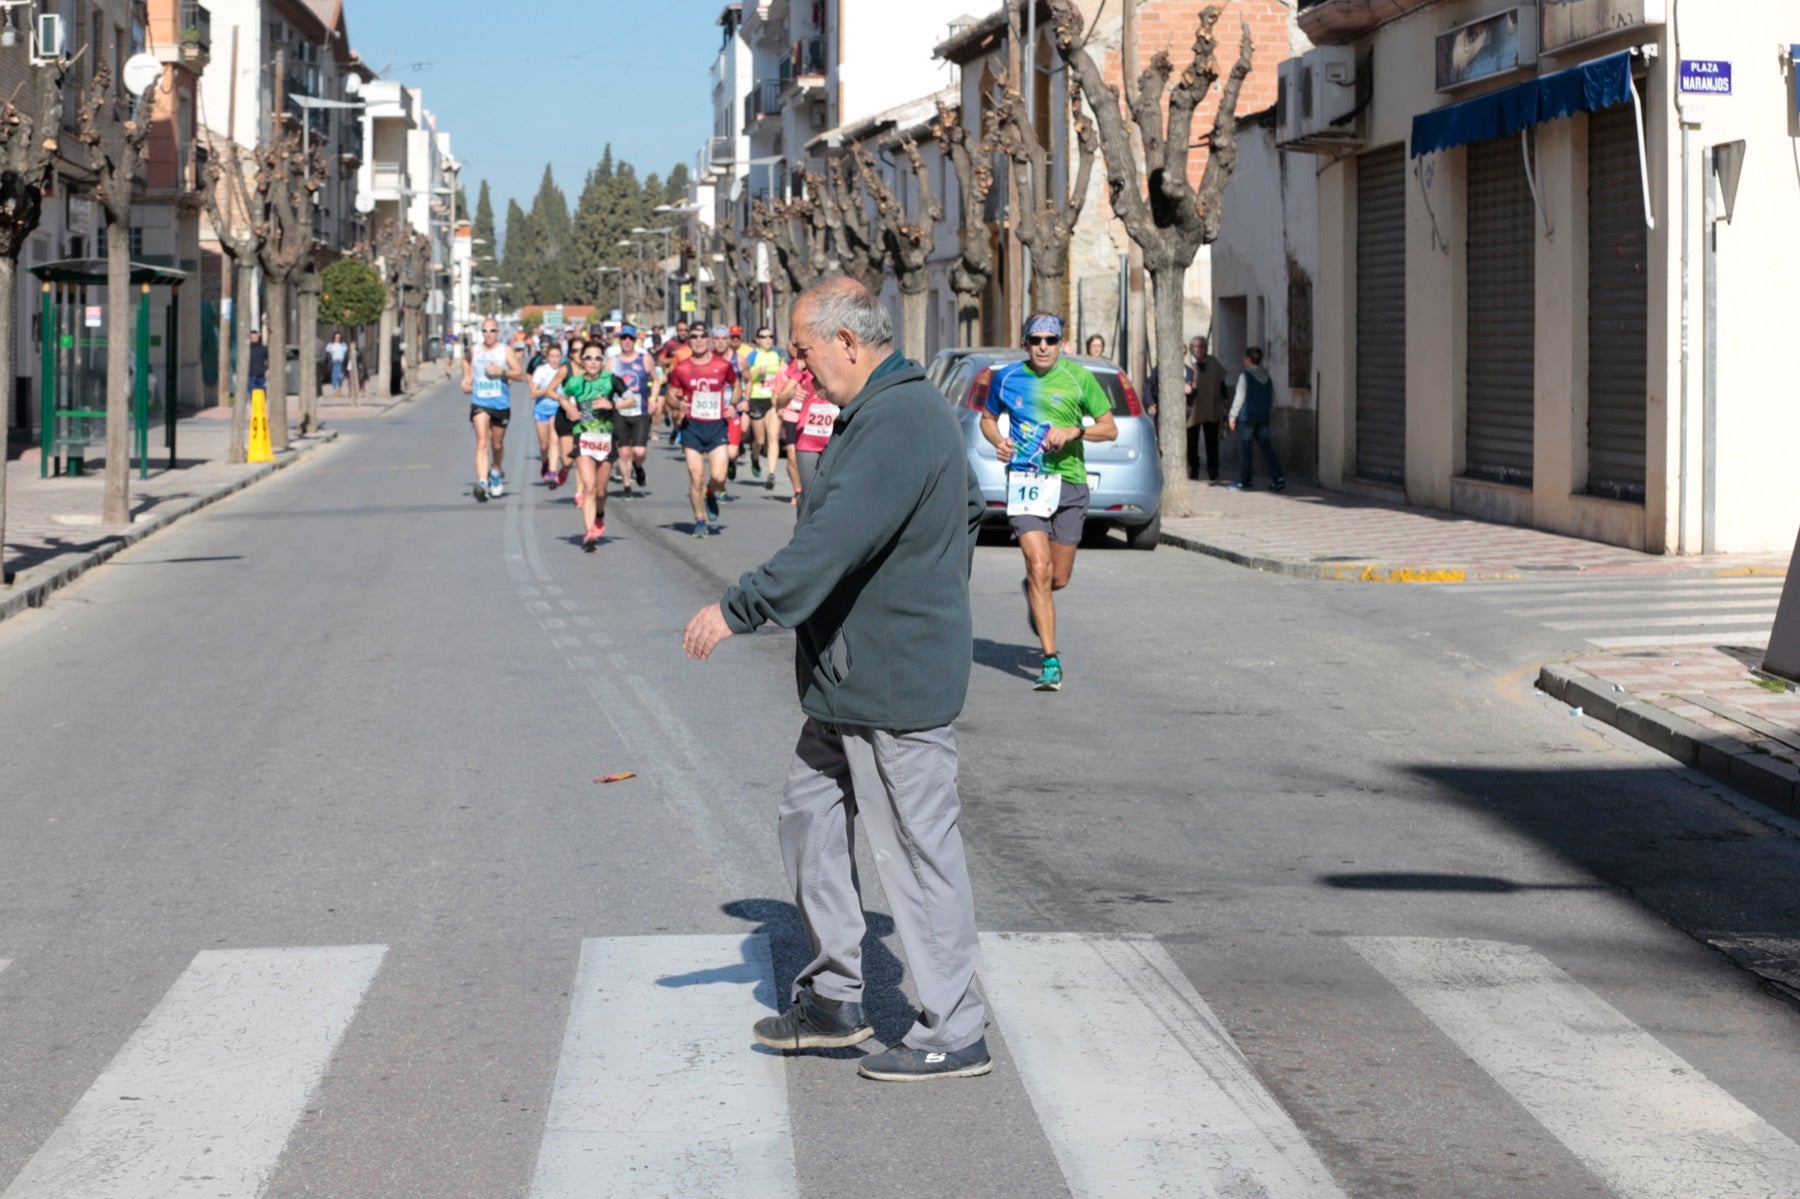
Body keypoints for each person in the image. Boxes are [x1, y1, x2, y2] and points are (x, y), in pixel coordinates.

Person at [681, 276, 991, 1083]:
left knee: (917, 853)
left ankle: (955, 1029)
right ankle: (835, 1000)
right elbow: (966, 505)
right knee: (809, 817)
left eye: (805, 349)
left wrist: (739, 608)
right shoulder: (883, 412)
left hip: (890, 680)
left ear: (848, 342)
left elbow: (831, 541)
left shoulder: (896, 419)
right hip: (848, 679)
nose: (799, 365)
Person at [979, 312, 1118, 692]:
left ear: (1060, 344)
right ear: (1025, 343)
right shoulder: (1005, 378)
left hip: (1070, 484)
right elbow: (988, 419)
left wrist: (1076, 430)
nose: (1043, 347)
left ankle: (1034, 591)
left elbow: (1110, 427)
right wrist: (998, 441)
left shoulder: (1080, 378)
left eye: (1051, 341)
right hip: (1026, 481)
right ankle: (1051, 661)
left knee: (1058, 577)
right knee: (1038, 566)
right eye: (1036, 340)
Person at [666, 325, 741, 538]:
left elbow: (736, 386)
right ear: (688, 341)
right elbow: (670, 394)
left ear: (708, 340)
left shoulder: (722, 365)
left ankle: (710, 493)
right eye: (694, 337)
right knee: (696, 476)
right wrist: (678, 404)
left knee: (718, 476)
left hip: (717, 425)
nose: (698, 340)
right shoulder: (681, 368)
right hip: (692, 427)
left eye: (702, 336)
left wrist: (733, 405)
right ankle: (700, 519)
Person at [561, 342, 627, 550]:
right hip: (583, 438)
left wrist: (613, 405)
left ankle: (599, 515)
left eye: (598, 358)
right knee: (588, 487)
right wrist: (569, 410)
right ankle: (589, 533)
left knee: (600, 490)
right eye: (588, 357)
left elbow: (633, 400)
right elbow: (563, 397)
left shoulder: (611, 380)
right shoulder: (574, 382)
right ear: (581, 359)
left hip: (605, 440)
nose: (593, 362)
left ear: (602, 361)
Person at [462, 319, 524, 502]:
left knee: (496, 445)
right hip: (480, 401)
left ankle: (495, 470)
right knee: (482, 442)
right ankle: (482, 482)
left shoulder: (505, 351)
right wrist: (467, 378)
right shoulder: (475, 350)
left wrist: (502, 372)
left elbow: (519, 374)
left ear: (498, 332)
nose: (488, 334)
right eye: (485, 331)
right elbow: (466, 361)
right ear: (482, 332)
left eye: (492, 330)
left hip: (501, 403)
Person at [609, 325, 660, 495]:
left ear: (635, 340)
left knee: (639, 451)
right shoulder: (612, 362)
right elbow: (604, 385)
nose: (627, 341)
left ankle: (638, 467)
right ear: (619, 340)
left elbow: (656, 380)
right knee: (623, 452)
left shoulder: (645, 359)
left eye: (630, 338)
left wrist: (653, 399)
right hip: (619, 412)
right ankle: (627, 485)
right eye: (624, 338)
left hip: (640, 411)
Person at [1227, 346, 1285, 492]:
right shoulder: (1267, 377)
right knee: (1267, 448)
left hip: (1247, 418)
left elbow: (1239, 397)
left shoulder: (1245, 376)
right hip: (1263, 416)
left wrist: (1232, 415)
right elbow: (1273, 397)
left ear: (1248, 359)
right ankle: (1278, 478)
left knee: (1245, 449)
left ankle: (1245, 481)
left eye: (1244, 358)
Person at [773, 344, 823, 505]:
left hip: (835, 434)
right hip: (808, 435)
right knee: (807, 495)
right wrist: (792, 394)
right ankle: (798, 493)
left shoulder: (839, 362)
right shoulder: (801, 364)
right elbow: (779, 400)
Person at [743, 325, 786, 489]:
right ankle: (755, 457)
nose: (767, 339)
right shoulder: (753, 355)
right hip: (756, 399)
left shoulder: (777, 355)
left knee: (773, 436)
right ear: (757, 340)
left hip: (772, 400)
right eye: (763, 336)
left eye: (770, 336)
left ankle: (771, 474)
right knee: (759, 440)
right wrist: (756, 372)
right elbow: (745, 375)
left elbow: (785, 373)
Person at [1187, 335, 1228, 483]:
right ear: (1192, 349)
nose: (1201, 349)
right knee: (1191, 442)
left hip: (1211, 406)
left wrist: (1225, 397)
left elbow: (1221, 382)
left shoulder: (1214, 362)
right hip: (1192, 410)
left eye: (1203, 346)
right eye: (1198, 347)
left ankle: (1213, 469)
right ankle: (1194, 467)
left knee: (1212, 442)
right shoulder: (1185, 364)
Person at [530, 343, 568, 487]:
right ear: (547, 357)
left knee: (554, 440)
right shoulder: (541, 371)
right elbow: (532, 393)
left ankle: (552, 473)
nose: (554, 359)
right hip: (541, 410)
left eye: (557, 356)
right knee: (544, 445)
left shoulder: (564, 371)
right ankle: (545, 461)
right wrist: (548, 390)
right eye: (552, 356)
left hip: (557, 410)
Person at [326, 331, 350, 398]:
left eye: (338, 337)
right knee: (334, 375)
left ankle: (339, 388)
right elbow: (328, 353)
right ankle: (335, 389)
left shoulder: (343, 345)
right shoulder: (331, 345)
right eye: (336, 337)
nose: (337, 339)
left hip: (341, 362)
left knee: (340, 376)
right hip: (334, 362)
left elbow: (345, 353)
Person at [246, 330, 269, 399]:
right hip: (251, 376)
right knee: (253, 395)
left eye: (256, 338)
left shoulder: (263, 349)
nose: (254, 339)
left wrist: (265, 368)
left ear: (258, 337)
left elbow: (269, 359)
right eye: (252, 338)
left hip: (261, 376)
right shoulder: (247, 349)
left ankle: (262, 408)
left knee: (262, 394)